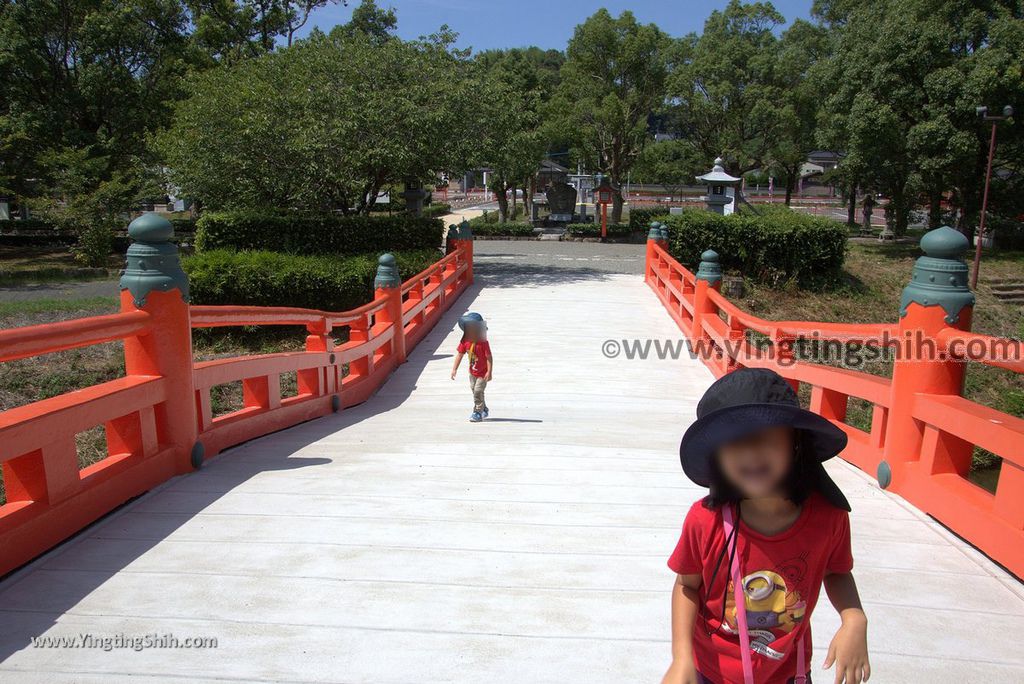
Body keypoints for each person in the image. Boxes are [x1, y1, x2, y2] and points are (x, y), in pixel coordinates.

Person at [662, 368, 870, 684]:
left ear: (795, 442)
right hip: (712, 672)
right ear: (717, 457)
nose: (749, 451)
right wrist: (681, 658)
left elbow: (837, 570)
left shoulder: (829, 519)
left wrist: (854, 617)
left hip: (789, 673)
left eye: (764, 437)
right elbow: (687, 585)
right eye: (734, 442)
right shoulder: (705, 521)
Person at [451, 312, 492, 422]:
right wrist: (454, 369)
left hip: (483, 372)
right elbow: (460, 354)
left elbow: (489, 357)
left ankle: (477, 412)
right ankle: (484, 408)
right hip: (472, 372)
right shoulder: (465, 341)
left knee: (478, 390)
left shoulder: (483, 342)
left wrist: (490, 371)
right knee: (475, 390)